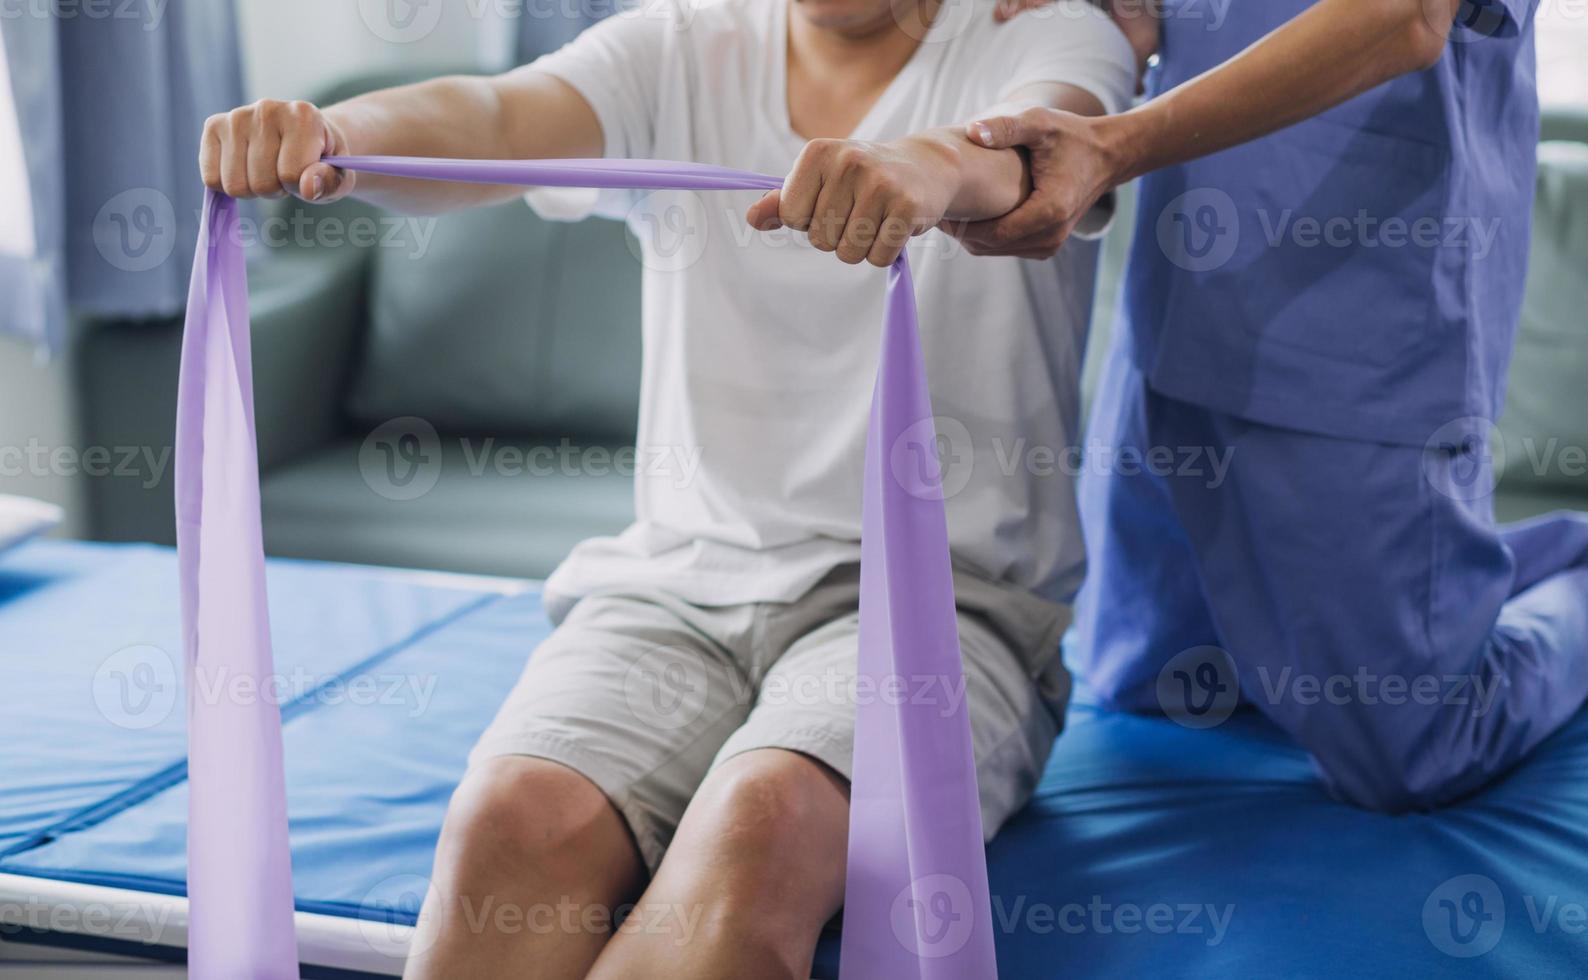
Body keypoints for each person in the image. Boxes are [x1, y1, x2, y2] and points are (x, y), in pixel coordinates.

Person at [200, 0, 1134, 975]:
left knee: (761, 818)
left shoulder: (1043, 33)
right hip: (675, 590)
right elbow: (497, 119)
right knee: (510, 818)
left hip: (941, 607)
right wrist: (336, 135)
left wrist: (931, 167)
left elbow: (1036, 158)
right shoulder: (679, 43)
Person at [956, 0, 1588, 811]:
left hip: (1359, 309)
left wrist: (1112, 147)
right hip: (1185, 294)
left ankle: (1568, 568)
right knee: (1143, 678)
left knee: (1417, 752)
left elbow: (1407, 17)